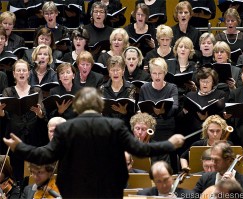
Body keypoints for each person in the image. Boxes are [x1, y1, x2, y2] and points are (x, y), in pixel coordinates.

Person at [3, 87, 185, 198]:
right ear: (100, 104)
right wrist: (170, 144)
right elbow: (141, 149)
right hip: (109, 191)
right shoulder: (115, 126)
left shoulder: (66, 129)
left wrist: (20, 146)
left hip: (75, 192)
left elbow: (43, 155)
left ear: (78, 106)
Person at [0, 59, 48, 183]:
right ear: (14, 74)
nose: (21, 73)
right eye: (18, 70)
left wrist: (39, 113)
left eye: (24, 70)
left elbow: (42, 115)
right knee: (15, 172)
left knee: (32, 172)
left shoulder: (36, 91)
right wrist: (0, 112)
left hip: (33, 137)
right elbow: (4, 118)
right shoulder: (8, 91)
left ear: (28, 73)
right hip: (14, 135)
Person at [100, 55, 136, 126]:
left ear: (123, 71)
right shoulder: (102, 88)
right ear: (109, 72)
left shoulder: (131, 88)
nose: (115, 73)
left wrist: (125, 112)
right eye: (112, 70)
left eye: (118, 70)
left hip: (125, 127)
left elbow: (133, 113)